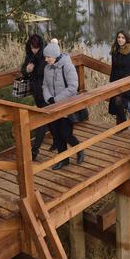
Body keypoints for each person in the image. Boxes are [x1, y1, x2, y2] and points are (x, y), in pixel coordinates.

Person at [41, 41, 85, 170]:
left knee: (66, 134)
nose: (46, 59)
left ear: (55, 55)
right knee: (56, 133)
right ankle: (63, 159)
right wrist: (48, 98)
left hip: (67, 106)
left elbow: (73, 87)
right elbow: (45, 85)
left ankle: (79, 149)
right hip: (53, 106)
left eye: (48, 57)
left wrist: (57, 99)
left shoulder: (67, 66)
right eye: (45, 57)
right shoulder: (47, 68)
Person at [108, 30, 130, 124]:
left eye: (123, 38)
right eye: (119, 37)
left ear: (127, 39)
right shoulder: (115, 51)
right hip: (118, 83)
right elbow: (114, 69)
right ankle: (124, 123)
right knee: (117, 101)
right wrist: (111, 83)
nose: (120, 39)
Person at [23, 35, 49, 161]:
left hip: (46, 92)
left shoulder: (45, 55)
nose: (34, 50)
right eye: (32, 48)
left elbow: (42, 71)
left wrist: (33, 68)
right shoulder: (29, 55)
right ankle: (56, 142)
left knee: (42, 120)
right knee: (48, 119)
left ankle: (34, 150)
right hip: (36, 92)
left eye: (36, 48)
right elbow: (23, 70)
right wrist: (27, 70)